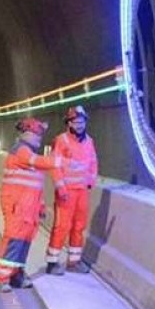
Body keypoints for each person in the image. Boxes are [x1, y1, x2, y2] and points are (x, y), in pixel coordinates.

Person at [0, 117, 61, 292]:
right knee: (14, 240)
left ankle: (16, 274)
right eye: (36, 133)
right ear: (25, 134)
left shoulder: (30, 154)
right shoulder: (21, 151)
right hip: (16, 205)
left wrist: (40, 206)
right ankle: (3, 277)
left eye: (40, 134)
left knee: (24, 242)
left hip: (29, 207)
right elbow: (40, 162)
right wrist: (63, 161)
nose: (39, 137)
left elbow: (35, 186)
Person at [46, 105, 98, 275]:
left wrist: (90, 181)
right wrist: (60, 186)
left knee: (79, 226)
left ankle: (74, 261)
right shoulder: (61, 141)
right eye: (75, 122)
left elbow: (93, 163)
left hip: (82, 191)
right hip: (66, 191)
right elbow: (54, 165)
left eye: (82, 122)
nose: (79, 125)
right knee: (62, 226)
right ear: (68, 123)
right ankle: (52, 262)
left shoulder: (89, 141)